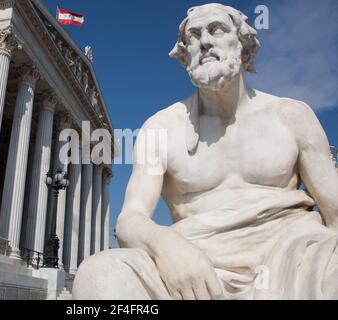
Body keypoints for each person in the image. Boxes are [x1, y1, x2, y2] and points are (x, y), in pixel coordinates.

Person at [73, 3, 338, 300]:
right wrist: (166, 246)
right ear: (185, 56)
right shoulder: (160, 127)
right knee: (98, 276)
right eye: (194, 36)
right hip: (193, 269)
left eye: (217, 29)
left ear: (243, 44)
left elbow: (335, 212)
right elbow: (130, 219)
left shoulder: (292, 115)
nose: (205, 41)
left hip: (295, 257)